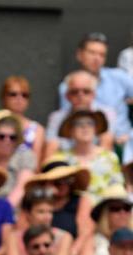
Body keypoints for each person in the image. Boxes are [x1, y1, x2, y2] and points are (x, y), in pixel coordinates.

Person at [58, 32, 133, 162]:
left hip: (126, 146)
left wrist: (131, 135)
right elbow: (70, 121)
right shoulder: (68, 86)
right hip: (87, 145)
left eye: (101, 54)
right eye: (92, 53)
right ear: (79, 54)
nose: (97, 58)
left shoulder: (119, 77)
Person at [23, 157, 94, 255]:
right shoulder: (33, 202)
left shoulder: (82, 201)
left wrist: (71, 254)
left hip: (72, 254)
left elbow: (85, 233)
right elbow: (25, 231)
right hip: (38, 254)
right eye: (57, 182)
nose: (63, 185)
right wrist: (47, 195)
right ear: (45, 183)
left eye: (67, 180)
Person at [0, 76, 45, 162]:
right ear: (3, 97)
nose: (19, 98)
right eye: (13, 94)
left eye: (25, 95)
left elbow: (34, 166)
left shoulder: (37, 130)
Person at [45, 70, 116, 157]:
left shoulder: (105, 114)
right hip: (65, 166)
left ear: (93, 94)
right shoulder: (56, 118)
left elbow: (106, 146)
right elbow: (50, 152)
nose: (80, 95)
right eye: (75, 92)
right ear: (67, 96)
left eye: (86, 91)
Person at [58, 109, 122, 200]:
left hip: (104, 208)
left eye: (90, 123)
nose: (85, 127)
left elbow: (118, 187)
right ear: (70, 131)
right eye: (78, 123)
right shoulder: (60, 159)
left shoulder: (110, 157)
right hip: (72, 209)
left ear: (96, 129)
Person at [0, 110, 37, 207]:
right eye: (1, 136)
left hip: (16, 212)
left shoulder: (26, 156)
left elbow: (22, 188)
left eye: (12, 137)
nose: (7, 141)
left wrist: (3, 213)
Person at [77, 184, 133, 255]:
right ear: (104, 214)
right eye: (116, 208)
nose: (122, 212)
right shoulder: (92, 240)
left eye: (126, 208)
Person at [14, 189, 72, 255]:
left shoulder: (64, 237)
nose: (47, 217)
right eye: (41, 212)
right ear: (27, 213)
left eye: (50, 212)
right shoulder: (14, 238)